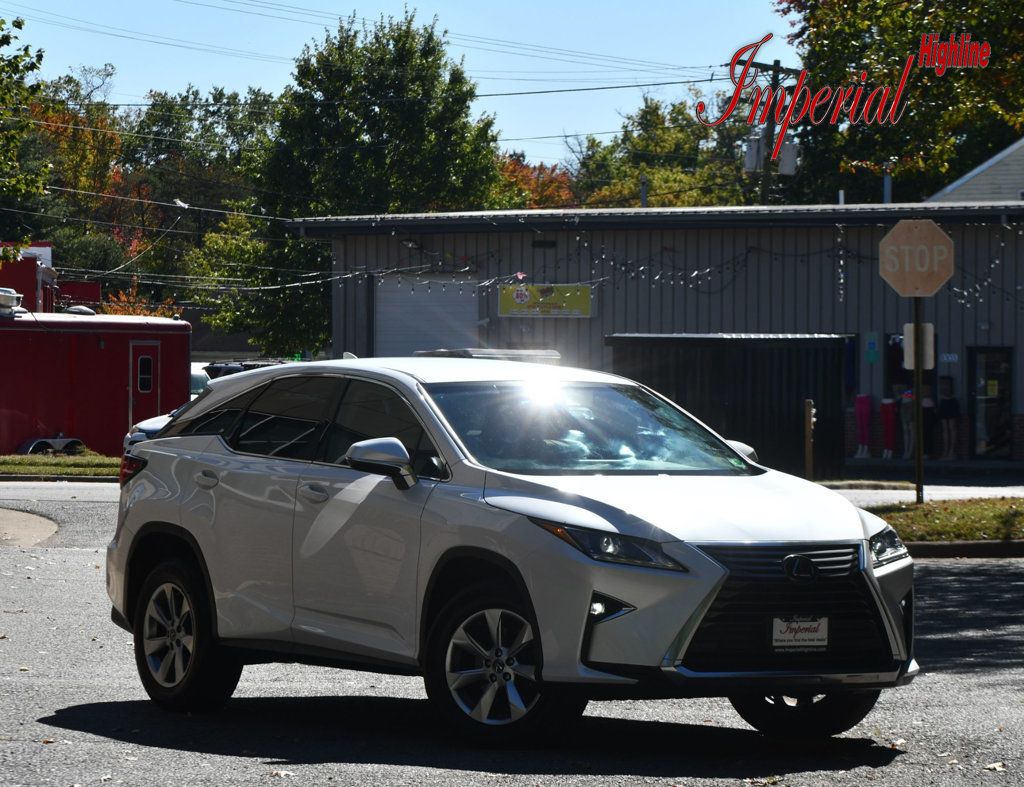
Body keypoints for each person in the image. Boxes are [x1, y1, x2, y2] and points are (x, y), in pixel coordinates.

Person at [938, 375, 960, 460]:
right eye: (943, 384)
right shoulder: (942, 396)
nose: (944, 386)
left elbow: (949, 393)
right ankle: (945, 451)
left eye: (946, 384)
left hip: (951, 402)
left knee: (952, 428)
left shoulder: (953, 400)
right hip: (944, 402)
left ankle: (952, 451)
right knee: (945, 429)